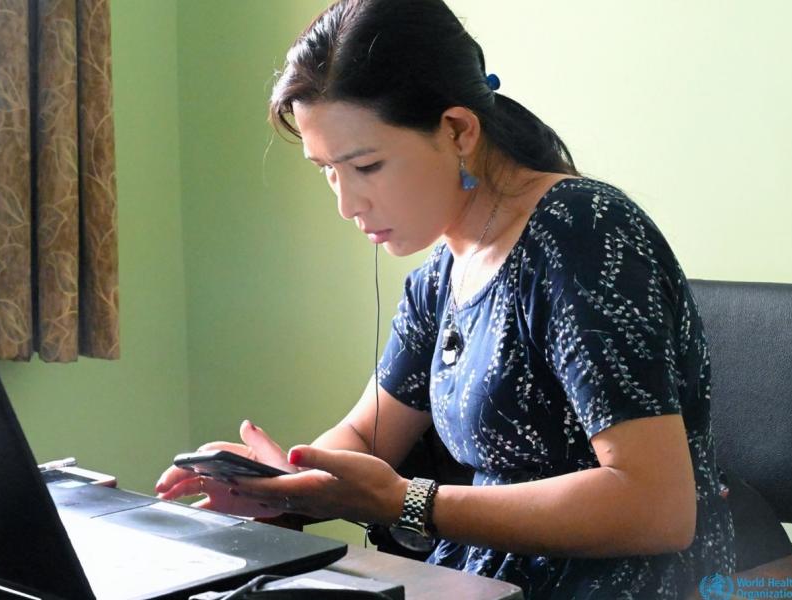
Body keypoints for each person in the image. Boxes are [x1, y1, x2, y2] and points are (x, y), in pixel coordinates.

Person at [156, 0, 736, 597]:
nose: (346, 204)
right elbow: (366, 437)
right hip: (479, 581)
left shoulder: (582, 232)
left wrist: (405, 501)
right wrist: (276, 480)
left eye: (367, 165)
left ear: (458, 129)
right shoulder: (441, 273)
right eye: (326, 170)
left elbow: (656, 508)